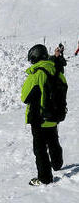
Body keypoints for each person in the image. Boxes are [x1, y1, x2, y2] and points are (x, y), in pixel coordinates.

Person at [21, 44, 66, 186]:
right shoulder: (57, 72)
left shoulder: (37, 74)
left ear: (34, 58)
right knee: (53, 141)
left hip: (39, 118)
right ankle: (57, 164)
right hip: (54, 117)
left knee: (40, 150)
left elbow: (25, 97)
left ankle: (45, 178)